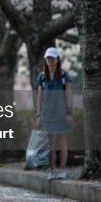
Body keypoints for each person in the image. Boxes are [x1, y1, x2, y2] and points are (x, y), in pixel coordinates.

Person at [35, 47, 73, 180]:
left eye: (52, 57)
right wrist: (38, 114)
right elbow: (40, 96)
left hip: (61, 113)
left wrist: (69, 113)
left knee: (62, 141)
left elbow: (68, 95)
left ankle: (62, 170)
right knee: (50, 143)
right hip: (47, 114)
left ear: (57, 59)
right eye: (48, 58)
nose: (50, 60)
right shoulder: (41, 77)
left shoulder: (64, 76)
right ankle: (52, 170)